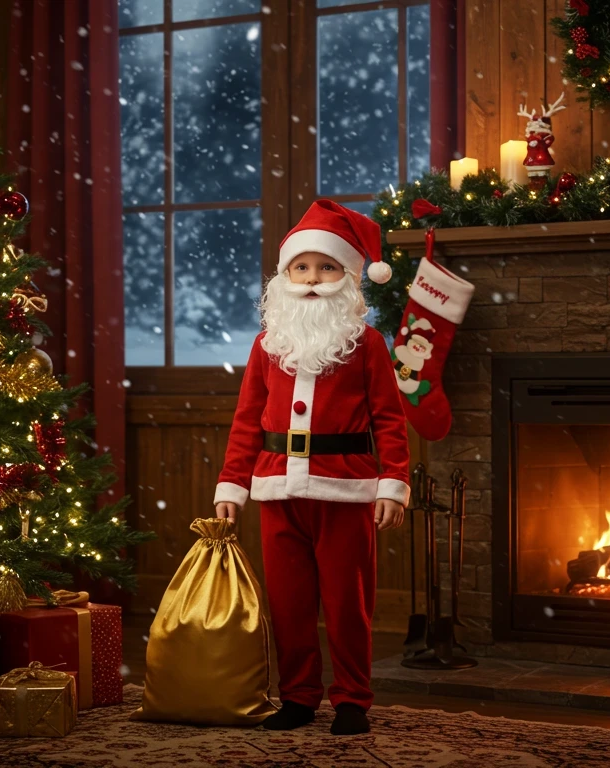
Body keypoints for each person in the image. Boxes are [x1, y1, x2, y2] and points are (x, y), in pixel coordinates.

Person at [213, 200, 411, 736]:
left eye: (326, 268)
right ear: (284, 278)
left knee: (349, 605)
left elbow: (390, 419)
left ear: (348, 277)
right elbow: (247, 419)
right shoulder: (266, 346)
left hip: (345, 490)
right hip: (277, 490)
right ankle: (298, 697)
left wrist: (393, 485)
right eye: (301, 268)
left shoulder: (367, 345)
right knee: (290, 604)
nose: (312, 280)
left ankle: (352, 699)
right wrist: (232, 484)